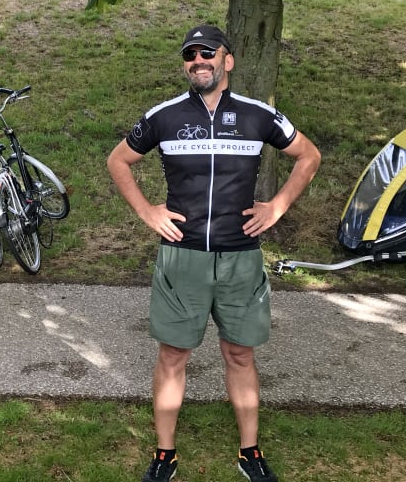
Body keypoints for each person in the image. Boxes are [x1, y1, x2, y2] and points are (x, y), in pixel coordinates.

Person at [107, 24, 322, 482]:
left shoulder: (258, 115)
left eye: (208, 52)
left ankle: (250, 452)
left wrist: (277, 206)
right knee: (173, 355)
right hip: (182, 256)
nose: (198, 60)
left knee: (240, 353)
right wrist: (147, 211)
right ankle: (164, 455)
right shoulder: (164, 116)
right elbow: (117, 160)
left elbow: (309, 156)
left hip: (240, 255)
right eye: (190, 54)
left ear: (228, 60)